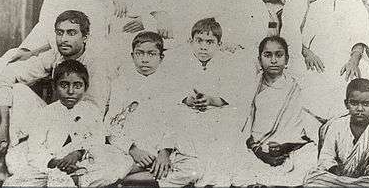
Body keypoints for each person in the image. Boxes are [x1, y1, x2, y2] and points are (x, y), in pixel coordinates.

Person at [0, 10, 111, 182]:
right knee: (19, 92)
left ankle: (1, 164)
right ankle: (2, 158)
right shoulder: (55, 56)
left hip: (80, 132)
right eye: (60, 32)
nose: (63, 39)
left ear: (85, 37)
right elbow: (6, 75)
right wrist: (4, 124)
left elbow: (93, 114)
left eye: (71, 33)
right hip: (54, 118)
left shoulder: (96, 65)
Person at [282, 0, 369, 121]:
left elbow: (360, 27)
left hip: (344, 53)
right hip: (309, 54)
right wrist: (305, 52)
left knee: (356, 78)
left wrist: (354, 58)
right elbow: (289, 28)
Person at [3, 60, 133, 187]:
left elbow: (98, 140)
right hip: (51, 165)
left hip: (83, 163)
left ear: (85, 87)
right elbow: (35, 149)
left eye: (77, 86)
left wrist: (78, 153)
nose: (71, 91)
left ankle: (77, 180)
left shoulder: (91, 111)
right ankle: (63, 179)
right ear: (55, 86)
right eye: (64, 85)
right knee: (14, 181)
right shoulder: (46, 113)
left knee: (121, 161)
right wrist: (55, 162)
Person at [164, 18, 254, 186]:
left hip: (215, 111)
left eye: (210, 42)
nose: (203, 47)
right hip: (189, 112)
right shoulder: (180, 62)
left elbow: (232, 95)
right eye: (199, 41)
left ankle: (216, 179)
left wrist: (211, 100)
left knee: (224, 129)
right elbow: (172, 90)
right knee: (184, 123)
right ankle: (195, 170)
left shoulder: (227, 63)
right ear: (191, 42)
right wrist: (188, 99)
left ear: (219, 45)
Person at [105, 31, 200, 187]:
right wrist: (133, 150)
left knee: (194, 167)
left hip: (161, 149)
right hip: (131, 151)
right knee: (104, 164)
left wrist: (165, 152)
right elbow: (112, 124)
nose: (145, 59)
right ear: (132, 55)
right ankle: (147, 176)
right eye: (140, 53)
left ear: (161, 58)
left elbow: (174, 121)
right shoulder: (121, 83)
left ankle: (142, 180)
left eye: (151, 54)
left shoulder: (170, 85)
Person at [232, 36, 318, 187]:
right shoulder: (251, 87)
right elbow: (243, 128)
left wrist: (285, 146)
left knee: (309, 156)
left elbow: (302, 130)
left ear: (287, 59)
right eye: (267, 55)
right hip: (258, 150)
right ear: (259, 60)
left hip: (290, 149)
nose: (273, 60)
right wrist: (260, 153)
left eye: (279, 55)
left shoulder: (296, 87)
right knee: (238, 164)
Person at [304, 78, 369, 187]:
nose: (359, 109)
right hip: (336, 177)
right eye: (354, 103)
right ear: (346, 104)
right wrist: (339, 175)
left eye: (366, 104)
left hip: (365, 181)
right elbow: (326, 157)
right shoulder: (336, 125)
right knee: (312, 179)